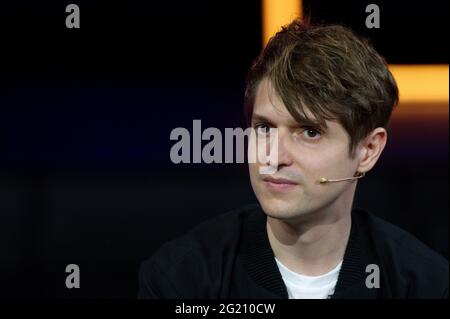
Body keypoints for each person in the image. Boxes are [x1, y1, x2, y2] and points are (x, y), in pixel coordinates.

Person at [138, 18, 448, 299]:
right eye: (264, 127)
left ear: (368, 150)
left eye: (310, 132)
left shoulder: (425, 284)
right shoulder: (181, 278)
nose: (275, 156)